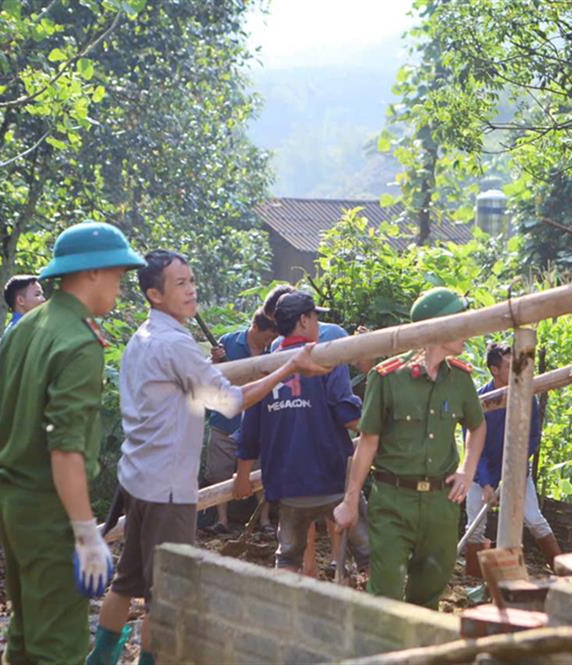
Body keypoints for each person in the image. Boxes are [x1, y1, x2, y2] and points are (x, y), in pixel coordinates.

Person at [91, 251, 328, 665]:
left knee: (125, 582)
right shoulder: (176, 344)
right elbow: (229, 402)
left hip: (138, 479)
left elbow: (200, 391)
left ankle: (100, 659)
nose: (190, 290)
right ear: (154, 294)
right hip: (166, 489)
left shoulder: (144, 337)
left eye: (191, 280)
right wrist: (288, 367)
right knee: (166, 596)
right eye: (179, 283)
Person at [0, 222, 145, 665]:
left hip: (10, 502)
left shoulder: (26, 326)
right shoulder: (79, 341)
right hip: (48, 510)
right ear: (91, 273)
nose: (121, 285)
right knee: (61, 648)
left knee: (25, 634)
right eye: (117, 274)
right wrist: (84, 531)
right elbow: (66, 450)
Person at [334, 287, 486, 609]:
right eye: (460, 321)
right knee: (385, 593)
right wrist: (350, 502)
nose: (469, 331)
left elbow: (477, 425)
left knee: (428, 595)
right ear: (437, 328)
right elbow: (368, 442)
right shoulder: (387, 378)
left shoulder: (459, 379)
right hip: (393, 502)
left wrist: (467, 471)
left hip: (441, 505)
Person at [233, 290, 370, 575]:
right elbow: (346, 415)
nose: (319, 324)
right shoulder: (327, 359)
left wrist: (243, 476)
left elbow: (250, 429)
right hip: (330, 478)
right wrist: (379, 430)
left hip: (286, 484)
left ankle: (284, 616)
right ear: (304, 321)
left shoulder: (266, 367)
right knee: (368, 553)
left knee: (288, 558)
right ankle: (377, 613)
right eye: (315, 317)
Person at [463, 343, 561, 577]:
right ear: (494, 370)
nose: (516, 370)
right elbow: (475, 448)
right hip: (481, 473)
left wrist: (513, 469)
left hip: (516, 471)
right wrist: (487, 483)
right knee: (475, 527)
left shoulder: (526, 397)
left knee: (535, 520)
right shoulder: (479, 400)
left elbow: (532, 436)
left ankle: (563, 570)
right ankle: (472, 580)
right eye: (509, 366)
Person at [205, 309, 279, 533]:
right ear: (255, 328)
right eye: (267, 334)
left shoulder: (274, 349)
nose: (270, 339)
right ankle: (222, 520)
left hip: (260, 420)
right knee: (219, 472)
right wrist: (215, 360)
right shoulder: (228, 342)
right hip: (226, 420)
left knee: (261, 473)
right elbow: (208, 374)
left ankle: (264, 520)